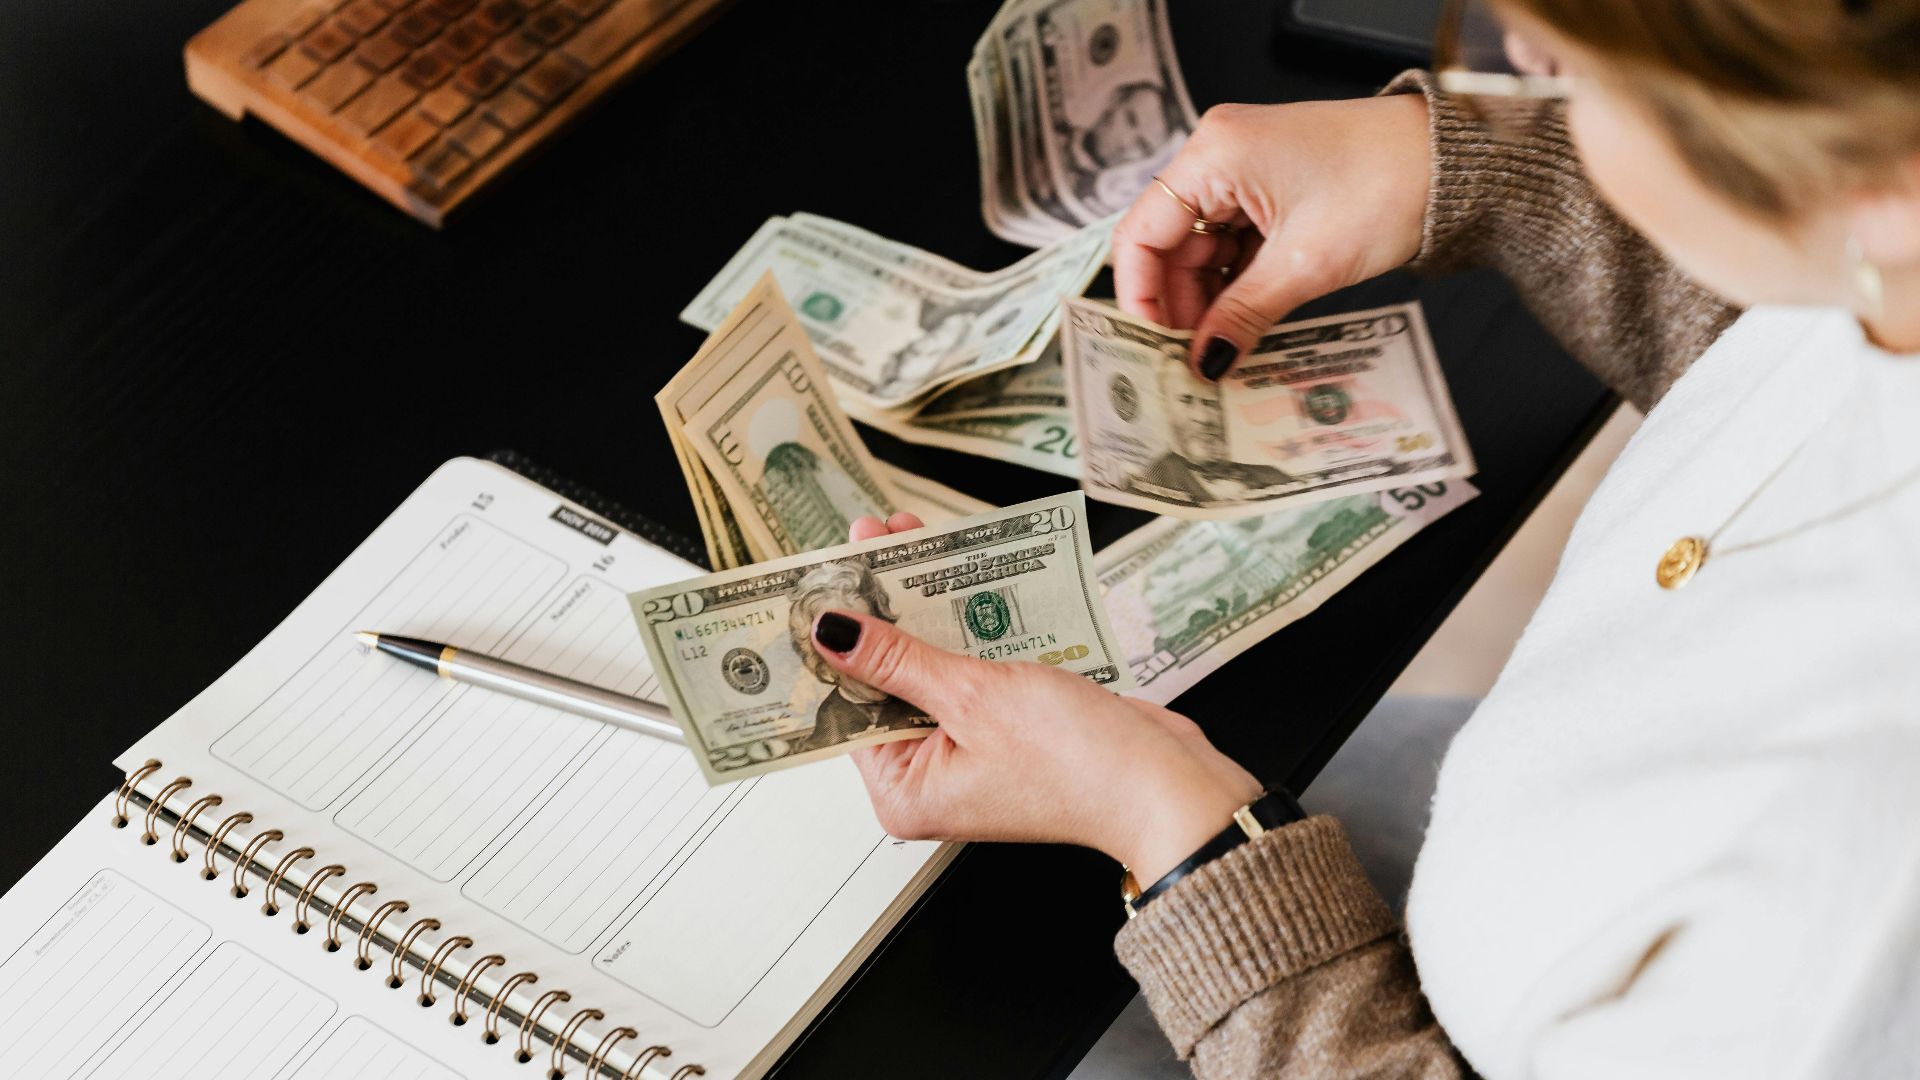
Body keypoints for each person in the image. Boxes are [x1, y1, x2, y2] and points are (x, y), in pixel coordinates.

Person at [810, 0, 1920, 1075]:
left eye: (1566, 69)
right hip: (1492, 829)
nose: (1501, 64)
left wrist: (1174, 829)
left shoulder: (1859, 928)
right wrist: (1465, 166)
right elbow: (1794, 352)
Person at [784, 559, 928, 754]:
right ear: (823, 666)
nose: (870, 657)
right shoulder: (831, 720)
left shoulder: (916, 692)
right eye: (846, 643)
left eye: (873, 637)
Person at [1130, 356, 1291, 507]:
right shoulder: (1150, 480)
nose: (1203, 418)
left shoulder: (1275, 477)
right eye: (1186, 401)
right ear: (1164, 405)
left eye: (1210, 403)